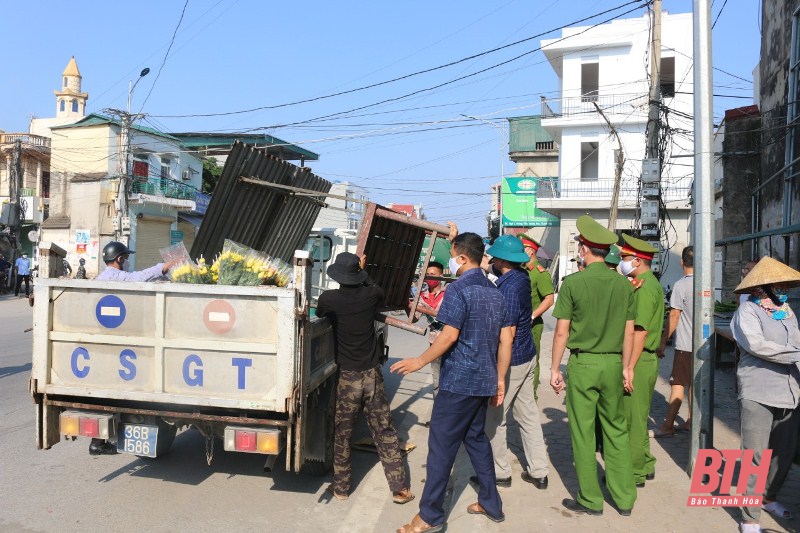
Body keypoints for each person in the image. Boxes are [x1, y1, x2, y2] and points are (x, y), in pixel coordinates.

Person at [393, 232, 513, 532]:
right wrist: (499, 380)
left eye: (453, 254)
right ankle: (491, 503)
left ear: (460, 257)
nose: (451, 261)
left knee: (441, 447)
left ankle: (429, 516)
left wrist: (419, 361)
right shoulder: (495, 292)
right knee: (476, 441)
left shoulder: (459, 290)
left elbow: (448, 335)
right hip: (483, 380)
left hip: (459, 380)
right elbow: (504, 339)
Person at [550, 215, 636, 516]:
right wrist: (627, 367)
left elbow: (561, 331)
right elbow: (629, 331)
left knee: (583, 433)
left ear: (585, 249)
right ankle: (624, 498)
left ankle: (590, 499)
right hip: (613, 364)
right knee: (616, 429)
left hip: (584, 364)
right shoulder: (624, 286)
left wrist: (554, 368)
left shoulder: (573, 283)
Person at [315, 252, 413, 504]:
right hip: (371, 375)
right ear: (358, 273)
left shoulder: (330, 299)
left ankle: (341, 488)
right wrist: (363, 268)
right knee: (384, 430)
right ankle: (400, 488)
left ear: (337, 275)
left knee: (342, 433)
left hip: (347, 377)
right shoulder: (372, 295)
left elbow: (319, 311)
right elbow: (374, 288)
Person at [472, 235, 550, 490]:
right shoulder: (519, 277)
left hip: (512, 359)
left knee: (495, 418)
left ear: (503, 259)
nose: (491, 259)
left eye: (494, 256)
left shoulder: (509, 288)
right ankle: (539, 471)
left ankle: (499, 472)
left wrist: (499, 376)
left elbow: (509, 333)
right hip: (527, 356)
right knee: (527, 416)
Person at [731, 256, 800, 533]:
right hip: (758, 390)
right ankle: (750, 517)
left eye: (786, 284)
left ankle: (769, 498)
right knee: (754, 455)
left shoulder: (788, 312)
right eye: (779, 284)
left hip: (790, 391)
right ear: (765, 286)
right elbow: (757, 346)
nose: (784, 288)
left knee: (783, 452)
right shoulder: (747, 312)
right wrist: (797, 354)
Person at [89, 241, 177, 455]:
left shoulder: (99, 279)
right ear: (119, 259)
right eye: (125, 258)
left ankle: (97, 442)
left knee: (107, 393)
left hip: (102, 343)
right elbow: (137, 278)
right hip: (118, 345)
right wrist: (163, 267)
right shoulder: (114, 277)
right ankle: (100, 441)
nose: (127, 262)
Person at [619, 234, 664, 488]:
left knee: (633, 420)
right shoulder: (645, 283)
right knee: (640, 416)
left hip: (640, 358)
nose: (622, 262)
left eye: (625, 258)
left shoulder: (645, 288)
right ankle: (645, 463)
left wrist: (628, 367)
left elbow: (640, 331)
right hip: (644, 358)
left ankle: (634, 472)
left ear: (637, 261)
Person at [656, 246, 694, 436]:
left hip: (685, 345)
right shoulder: (706, 284)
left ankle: (668, 425)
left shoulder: (681, 285)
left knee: (678, 384)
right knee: (695, 385)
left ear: (682, 262)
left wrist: (663, 341)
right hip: (703, 345)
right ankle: (691, 421)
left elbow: (674, 316)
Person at [518, 234, 554, 401]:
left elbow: (549, 298)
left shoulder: (540, 273)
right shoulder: (521, 270)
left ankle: (531, 395)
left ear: (530, 251)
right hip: (519, 323)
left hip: (533, 324)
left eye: (522, 248)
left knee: (533, 358)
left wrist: (533, 315)